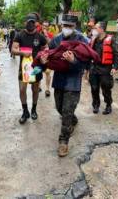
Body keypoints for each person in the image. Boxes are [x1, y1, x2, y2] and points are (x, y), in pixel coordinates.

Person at [41, 14, 88, 157]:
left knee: (67, 111)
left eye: (70, 26)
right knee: (60, 107)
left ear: (75, 26)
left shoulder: (82, 39)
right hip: (60, 79)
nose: (67, 29)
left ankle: (63, 142)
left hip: (73, 80)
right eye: (65, 25)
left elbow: (87, 62)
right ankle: (72, 120)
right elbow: (49, 55)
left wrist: (74, 61)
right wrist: (45, 61)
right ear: (61, 25)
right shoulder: (56, 39)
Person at [12, 13, 47, 124]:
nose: (30, 24)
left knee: (35, 89)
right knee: (22, 89)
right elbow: (13, 49)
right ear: (25, 22)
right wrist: (22, 52)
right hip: (24, 67)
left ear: (36, 23)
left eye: (32, 22)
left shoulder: (40, 36)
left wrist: (43, 57)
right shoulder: (19, 35)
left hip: (36, 68)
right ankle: (25, 111)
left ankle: (34, 110)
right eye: (28, 22)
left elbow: (45, 49)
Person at [89, 22, 118, 115]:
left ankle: (108, 105)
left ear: (101, 29)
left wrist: (115, 67)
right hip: (94, 67)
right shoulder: (94, 39)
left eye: (96, 28)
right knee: (94, 88)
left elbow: (116, 54)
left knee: (106, 88)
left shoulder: (111, 39)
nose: (94, 29)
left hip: (105, 68)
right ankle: (95, 104)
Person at [42, 21, 54, 97]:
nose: (45, 27)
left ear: (48, 27)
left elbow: (51, 44)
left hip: (48, 56)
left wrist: (46, 35)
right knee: (38, 71)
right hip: (39, 56)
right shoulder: (38, 34)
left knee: (48, 72)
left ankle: (47, 89)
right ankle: (38, 85)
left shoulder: (50, 35)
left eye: (46, 26)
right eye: (43, 25)